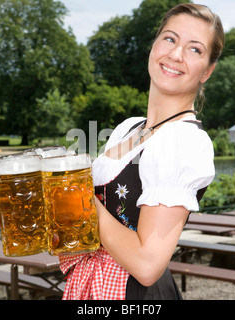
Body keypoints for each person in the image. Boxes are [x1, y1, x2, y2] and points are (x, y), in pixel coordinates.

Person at [59, 3, 224, 300]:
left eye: (195, 49)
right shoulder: (129, 128)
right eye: (170, 39)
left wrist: (82, 201)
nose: (175, 54)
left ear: (207, 72)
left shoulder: (184, 141)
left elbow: (147, 265)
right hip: (92, 285)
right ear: (154, 45)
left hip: (134, 294)